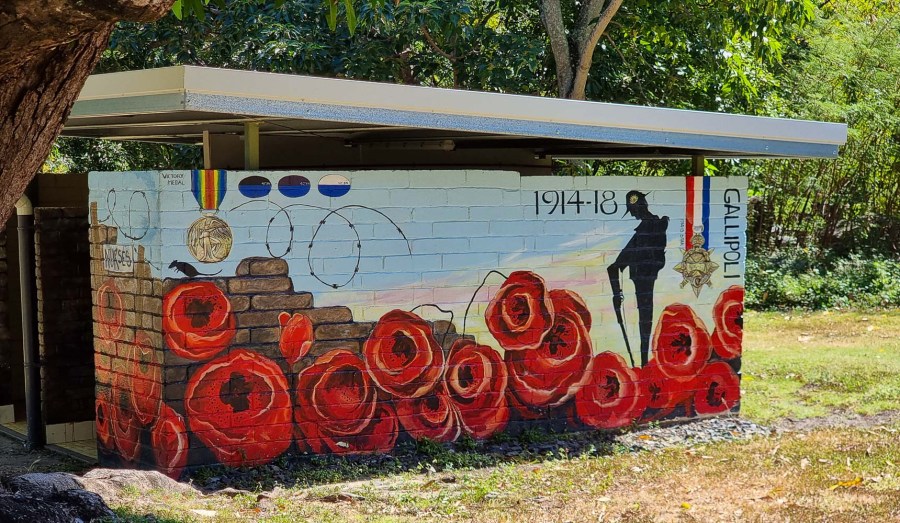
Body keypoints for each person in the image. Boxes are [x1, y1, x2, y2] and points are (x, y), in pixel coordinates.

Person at [607, 190, 668, 367]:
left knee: (645, 319)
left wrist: (617, 294)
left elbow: (615, 267)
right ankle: (643, 362)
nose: (633, 214)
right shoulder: (651, 227)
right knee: (645, 318)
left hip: (645, 278)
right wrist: (617, 294)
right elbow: (614, 268)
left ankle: (643, 363)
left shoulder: (649, 229)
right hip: (644, 278)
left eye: (634, 210)